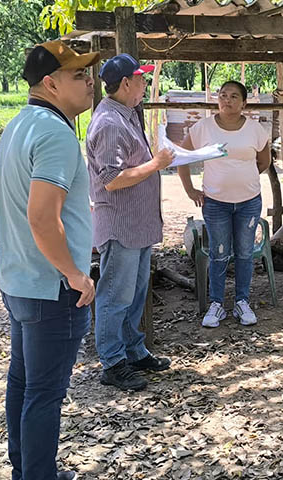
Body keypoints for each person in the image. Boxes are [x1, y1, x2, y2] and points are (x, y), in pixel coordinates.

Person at [0, 40, 98, 480]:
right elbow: (41, 216)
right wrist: (74, 274)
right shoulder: (55, 133)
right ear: (50, 84)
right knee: (44, 393)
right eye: (79, 75)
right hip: (52, 287)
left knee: (24, 383)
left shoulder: (20, 124)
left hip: (20, 280)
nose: (90, 82)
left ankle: (26, 470)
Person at [86, 53, 174, 392]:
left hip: (135, 224)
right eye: (141, 79)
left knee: (134, 294)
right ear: (125, 83)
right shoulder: (110, 123)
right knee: (115, 296)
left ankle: (133, 352)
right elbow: (112, 179)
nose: (145, 84)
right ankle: (112, 362)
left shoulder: (125, 114)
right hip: (121, 225)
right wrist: (156, 164)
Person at [178, 80, 272, 328]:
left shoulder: (255, 130)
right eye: (222, 95)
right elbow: (182, 157)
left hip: (249, 203)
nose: (227, 100)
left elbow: (264, 161)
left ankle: (242, 302)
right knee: (218, 253)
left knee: (244, 253)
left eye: (233, 96)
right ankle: (217, 304)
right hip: (215, 203)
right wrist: (190, 190)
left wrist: (243, 179)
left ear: (244, 103)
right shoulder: (204, 127)